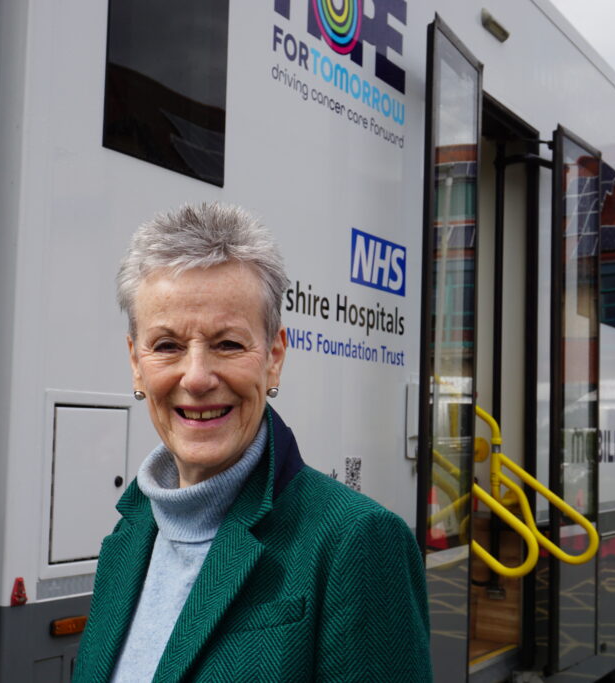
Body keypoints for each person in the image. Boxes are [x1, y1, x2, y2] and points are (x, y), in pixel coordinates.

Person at [73, 202, 431, 682]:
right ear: (136, 363)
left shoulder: (355, 541)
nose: (196, 377)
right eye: (167, 346)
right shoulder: (127, 537)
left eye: (228, 344)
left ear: (274, 357)